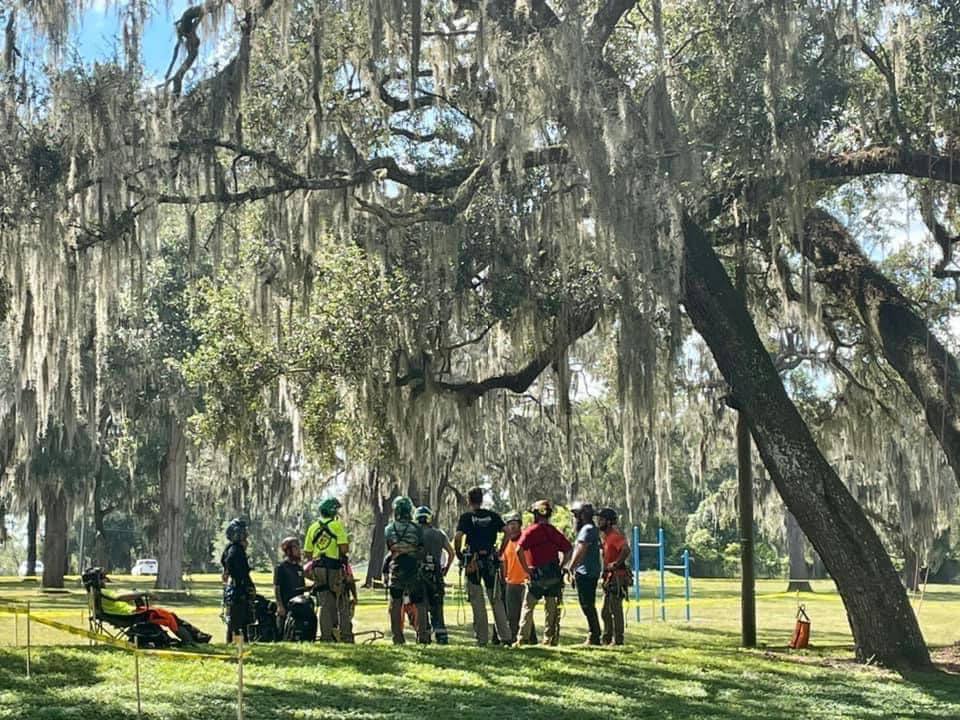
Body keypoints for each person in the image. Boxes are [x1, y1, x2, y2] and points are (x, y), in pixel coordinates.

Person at [84, 567, 211, 644]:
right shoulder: (101, 592)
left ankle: (197, 635)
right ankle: (189, 641)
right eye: (102, 578)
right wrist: (144, 593)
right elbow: (119, 597)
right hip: (129, 616)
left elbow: (119, 598)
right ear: (95, 581)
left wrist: (135, 594)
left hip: (130, 613)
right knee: (168, 618)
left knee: (170, 615)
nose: (105, 580)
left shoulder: (93, 594)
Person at [454, 486, 511, 646]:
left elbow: (458, 536)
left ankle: (482, 638)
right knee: (496, 600)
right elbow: (507, 531)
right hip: (491, 560)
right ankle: (505, 637)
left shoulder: (466, 517)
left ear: (469, 500)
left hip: (473, 561)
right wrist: (501, 550)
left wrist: (459, 554)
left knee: (477, 600)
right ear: (482, 499)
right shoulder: (493, 516)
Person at [515, 499, 572, 646]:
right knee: (551, 608)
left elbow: (518, 549)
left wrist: (526, 570)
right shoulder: (553, 531)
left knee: (528, 607)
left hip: (536, 575)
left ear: (536, 514)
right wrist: (562, 566)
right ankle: (550, 639)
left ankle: (522, 638)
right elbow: (568, 549)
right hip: (553, 575)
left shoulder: (531, 531)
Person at [304, 497, 353, 642]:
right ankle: (346, 636)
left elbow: (307, 553)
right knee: (342, 601)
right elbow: (344, 549)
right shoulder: (337, 526)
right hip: (334, 568)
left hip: (318, 568)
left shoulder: (313, 527)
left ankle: (327, 637)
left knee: (324, 603)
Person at [385, 496, 429, 644]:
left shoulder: (389, 528)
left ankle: (397, 637)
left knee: (396, 603)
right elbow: (422, 549)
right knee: (419, 602)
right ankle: (423, 636)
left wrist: (400, 549)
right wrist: (411, 549)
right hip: (413, 567)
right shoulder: (416, 528)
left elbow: (391, 549)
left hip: (397, 567)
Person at [415, 505, 455, 644]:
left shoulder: (414, 534)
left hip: (418, 575)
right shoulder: (439, 534)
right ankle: (441, 637)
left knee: (421, 606)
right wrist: (446, 568)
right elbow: (451, 552)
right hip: (436, 575)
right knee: (437, 607)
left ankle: (423, 636)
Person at [567, 502, 603, 645]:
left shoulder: (587, 529)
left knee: (587, 604)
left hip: (586, 572)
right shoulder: (588, 529)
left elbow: (581, 550)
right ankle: (594, 633)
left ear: (583, 515)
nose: (575, 518)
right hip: (587, 571)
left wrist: (571, 567)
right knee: (587, 604)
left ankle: (594, 634)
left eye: (577, 515)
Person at [597, 507, 631, 645]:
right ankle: (606, 638)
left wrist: (616, 563)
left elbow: (626, 549)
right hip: (609, 578)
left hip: (618, 577)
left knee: (615, 610)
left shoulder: (615, 536)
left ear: (609, 522)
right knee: (605, 611)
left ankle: (618, 640)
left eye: (602, 520)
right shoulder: (606, 538)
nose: (599, 522)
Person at [500, 510, 534, 644]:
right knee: (512, 615)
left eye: (514, 524)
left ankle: (531, 639)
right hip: (511, 583)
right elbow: (504, 561)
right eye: (509, 524)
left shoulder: (526, 540)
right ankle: (514, 639)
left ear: (519, 525)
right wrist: (504, 578)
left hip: (525, 582)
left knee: (526, 614)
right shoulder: (507, 543)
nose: (512, 527)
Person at [274, 536, 317, 641]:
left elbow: (300, 586)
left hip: (300, 605)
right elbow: (277, 587)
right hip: (286, 604)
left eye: (299, 547)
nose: (299, 551)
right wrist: (280, 606)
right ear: (288, 550)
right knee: (283, 630)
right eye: (296, 548)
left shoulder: (299, 568)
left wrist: (311, 588)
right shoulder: (281, 567)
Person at [221, 517, 255, 643]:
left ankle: (241, 642)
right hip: (237, 589)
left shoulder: (232, 549)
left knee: (242, 618)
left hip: (239, 588)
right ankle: (236, 643)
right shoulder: (235, 550)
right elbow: (235, 568)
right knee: (237, 620)